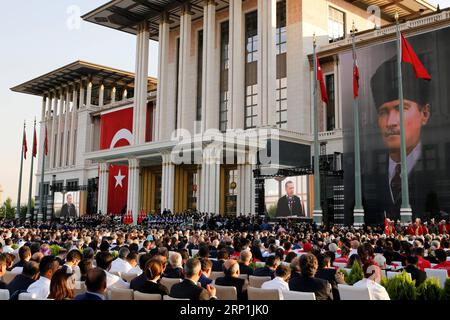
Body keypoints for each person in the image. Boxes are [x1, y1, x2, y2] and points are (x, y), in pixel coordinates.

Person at [369, 53, 437, 221]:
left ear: (425, 113)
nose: (391, 122)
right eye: (383, 112)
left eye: (401, 108)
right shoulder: (369, 178)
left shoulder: (436, 173)